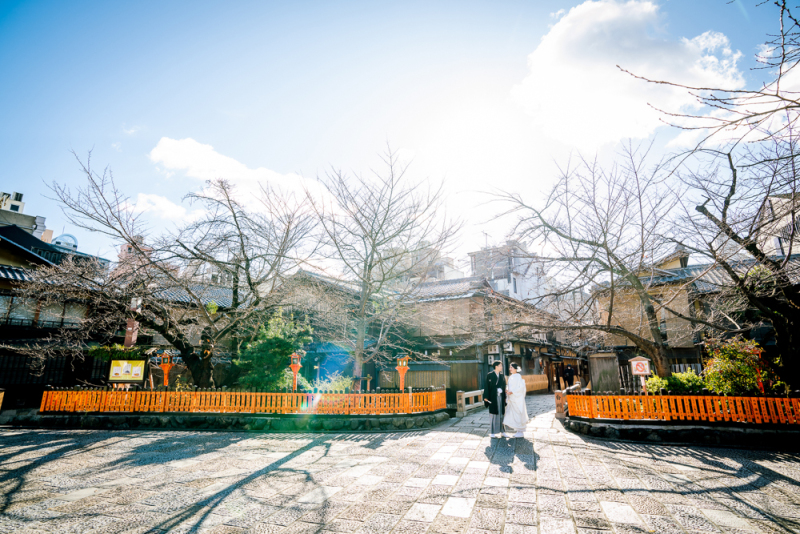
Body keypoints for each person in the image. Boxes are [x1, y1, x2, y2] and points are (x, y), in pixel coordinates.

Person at [503, 363, 529, 438]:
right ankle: (518, 430)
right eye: (510, 367)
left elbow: (521, 387)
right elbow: (510, 386)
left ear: (515, 369)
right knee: (514, 414)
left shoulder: (518, 376)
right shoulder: (511, 376)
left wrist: (513, 391)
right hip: (512, 397)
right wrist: (507, 390)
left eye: (511, 367)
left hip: (517, 398)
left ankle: (521, 431)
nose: (510, 369)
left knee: (518, 413)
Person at [483, 361, 506, 438]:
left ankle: (502, 431)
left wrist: (503, 394)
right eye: (500, 366)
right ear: (496, 366)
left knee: (501, 413)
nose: (501, 367)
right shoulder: (490, 375)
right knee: (493, 414)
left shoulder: (502, 375)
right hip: (493, 397)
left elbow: (504, 386)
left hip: (501, 396)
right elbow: (487, 386)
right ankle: (492, 432)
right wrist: (486, 397)